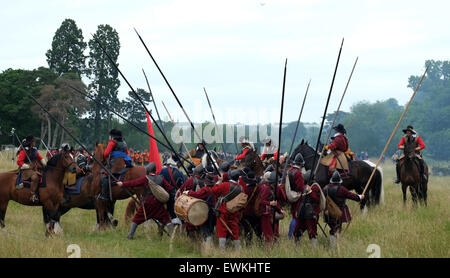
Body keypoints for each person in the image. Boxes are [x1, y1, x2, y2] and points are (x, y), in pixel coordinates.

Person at [117, 162, 173, 239]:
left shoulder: (146, 179)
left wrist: (123, 184)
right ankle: (174, 237)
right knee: (166, 220)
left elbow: (134, 183)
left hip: (148, 203)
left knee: (136, 219)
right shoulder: (161, 178)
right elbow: (169, 188)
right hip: (158, 204)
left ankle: (130, 235)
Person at [323, 171, 364, 247]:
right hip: (338, 212)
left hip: (328, 212)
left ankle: (334, 245)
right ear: (339, 181)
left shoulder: (325, 188)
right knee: (336, 229)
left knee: (333, 228)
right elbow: (351, 195)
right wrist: (360, 197)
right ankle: (334, 247)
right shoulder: (341, 189)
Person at [289, 154, 321, 246]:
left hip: (310, 213)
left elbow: (316, 199)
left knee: (312, 232)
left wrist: (310, 191)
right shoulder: (304, 186)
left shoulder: (315, 187)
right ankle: (297, 247)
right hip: (302, 211)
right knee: (297, 231)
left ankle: (314, 250)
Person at [98, 129, 133, 201]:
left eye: (109, 136)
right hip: (124, 164)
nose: (109, 137)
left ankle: (104, 195)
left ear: (112, 136)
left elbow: (106, 154)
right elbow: (127, 153)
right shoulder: (124, 143)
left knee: (104, 177)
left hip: (115, 165)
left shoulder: (112, 142)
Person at [16, 135, 47, 202]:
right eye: (33, 141)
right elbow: (19, 161)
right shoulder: (24, 150)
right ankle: (32, 195)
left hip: (35, 167)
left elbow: (39, 157)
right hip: (26, 168)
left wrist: (43, 161)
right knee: (35, 177)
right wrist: (26, 166)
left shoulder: (34, 149)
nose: (35, 143)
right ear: (30, 142)